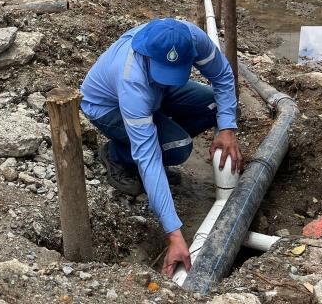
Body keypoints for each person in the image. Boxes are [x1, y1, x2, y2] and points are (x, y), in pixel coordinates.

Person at [80, 18, 241, 278]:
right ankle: (115, 154)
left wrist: (227, 129)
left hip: (157, 94)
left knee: (216, 106)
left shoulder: (193, 39)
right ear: (146, 54)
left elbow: (222, 76)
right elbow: (149, 158)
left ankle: (160, 129)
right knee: (177, 149)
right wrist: (174, 235)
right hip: (108, 108)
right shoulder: (131, 77)